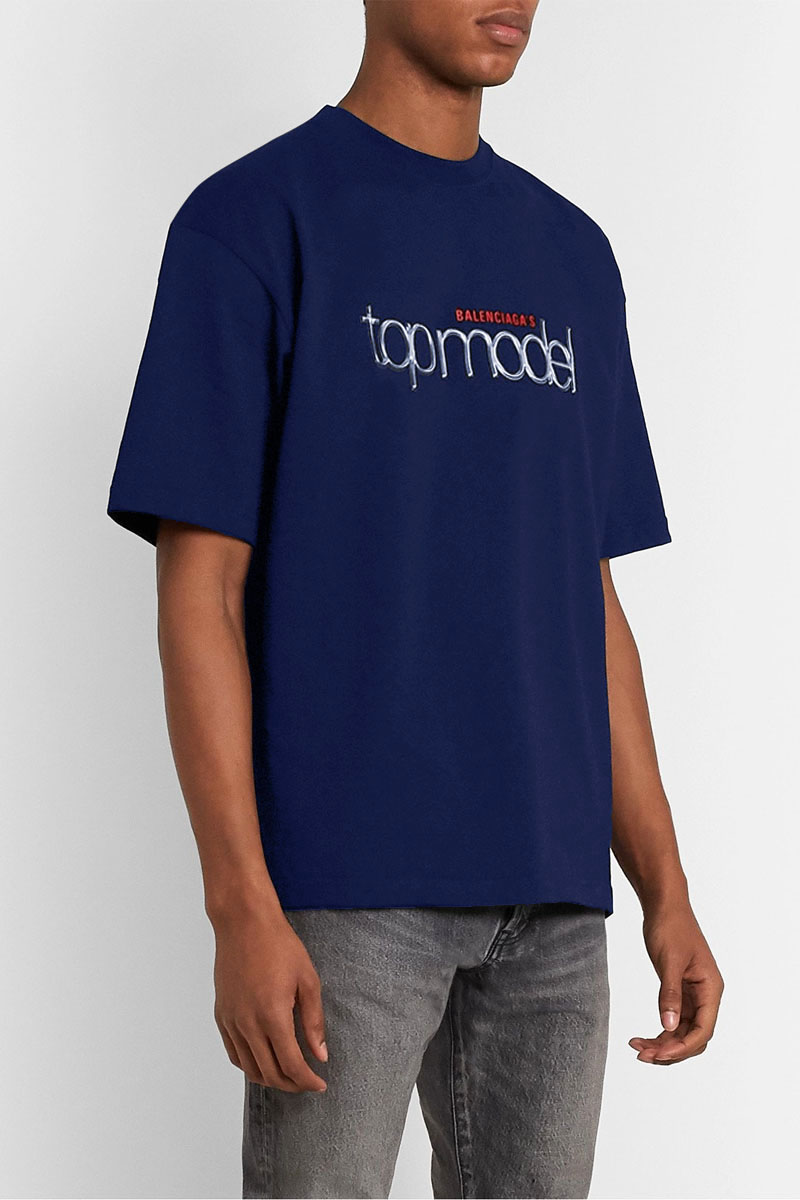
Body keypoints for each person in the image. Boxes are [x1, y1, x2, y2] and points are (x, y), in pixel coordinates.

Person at [107, 1, 724, 1197]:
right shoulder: (252, 220)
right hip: (347, 891)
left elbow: (587, 601)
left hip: (552, 895)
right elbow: (201, 589)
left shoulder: (569, 255)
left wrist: (665, 886)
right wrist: (240, 905)